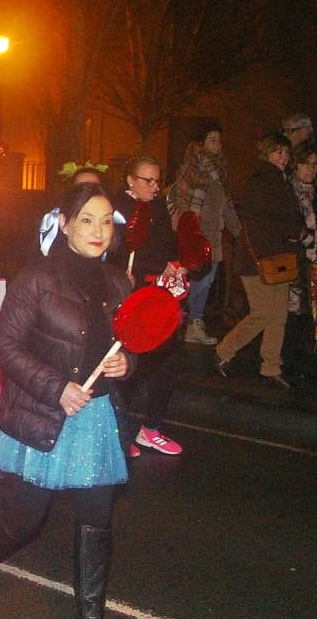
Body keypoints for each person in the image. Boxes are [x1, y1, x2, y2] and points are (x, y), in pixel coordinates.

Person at [0, 182, 138, 619]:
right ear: (66, 224)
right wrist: (56, 387)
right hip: (46, 411)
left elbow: (128, 344)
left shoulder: (120, 282)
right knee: (25, 519)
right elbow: (6, 347)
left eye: (105, 220)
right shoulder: (37, 277)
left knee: (98, 519)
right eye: (87, 219)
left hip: (95, 417)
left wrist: (127, 364)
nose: (98, 230)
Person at [214, 133, 306, 389]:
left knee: (278, 315)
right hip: (259, 259)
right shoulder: (262, 182)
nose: (283, 157)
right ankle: (224, 350)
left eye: (286, 153)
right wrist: (293, 232)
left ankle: (270, 367)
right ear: (266, 153)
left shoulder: (280, 181)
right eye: (278, 152)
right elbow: (260, 223)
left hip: (278, 257)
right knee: (264, 313)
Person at [111, 155, 186, 456]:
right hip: (129, 295)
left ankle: (151, 428)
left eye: (158, 180)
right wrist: (126, 274)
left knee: (166, 361)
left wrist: (173, 266)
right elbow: (112, 249)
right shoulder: (117, 208)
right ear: (130, 180)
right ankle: (121, 432)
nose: (155, 186)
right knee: (128, 365)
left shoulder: (158, 207)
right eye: (148, 180)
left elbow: (166, 245)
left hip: (156, 295)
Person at [167, 124, 240, 345]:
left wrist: (238, 231)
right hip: (192, 239)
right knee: (186, 282)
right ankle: (175, 321)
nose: (217, 144)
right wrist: (188, 231)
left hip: (212, 238)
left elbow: (226, 205)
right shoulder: (191, 170)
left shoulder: (219, 174)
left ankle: (193, 323)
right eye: (212, 140)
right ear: (201, 143)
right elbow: (179, 200)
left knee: (206, 282)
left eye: (219, 140)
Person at [281, 144, 317, 374]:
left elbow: (314, 220)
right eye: (306, 164)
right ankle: (285, 359)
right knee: (293, 308)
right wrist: (311, 236)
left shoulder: (315, 193)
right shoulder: (289, 190)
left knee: (305, 308)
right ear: (296, 165)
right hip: (295, 256)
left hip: (311, 257)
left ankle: (296, 355)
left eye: (314, 164)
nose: (311, 169)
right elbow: (291, 225)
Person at [37, 161, 109, 256]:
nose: (98, 233)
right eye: (86, 220)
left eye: (94, 187)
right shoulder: (51, 221)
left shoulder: (113, 220)